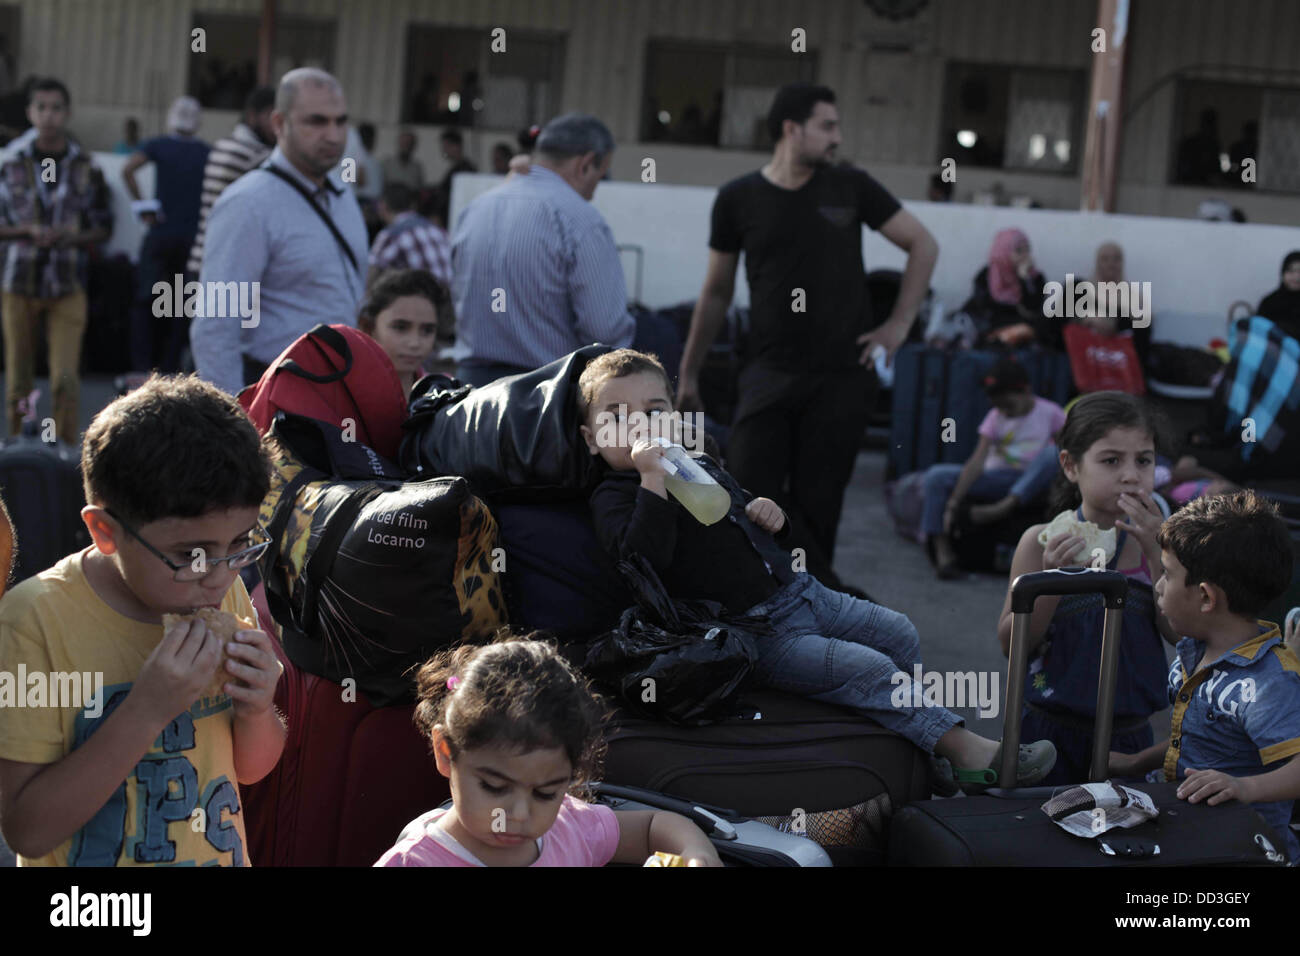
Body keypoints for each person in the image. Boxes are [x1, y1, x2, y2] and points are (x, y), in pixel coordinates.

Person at [581, 349, 1058, 792]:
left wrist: (772, 516)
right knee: (867, 668)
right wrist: (650, 479)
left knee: (898, 633)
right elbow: (643, 560)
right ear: (589, 438)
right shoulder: (617, 494)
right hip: (758, 632)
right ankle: (968, 750)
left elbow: (743, 526)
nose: (639, 424)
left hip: (803, 593)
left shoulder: (695, 463)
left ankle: (923, 748)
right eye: (616, 417)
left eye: (654, 409)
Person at [0, 375, 286, 865]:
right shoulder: (34, 622)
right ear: (106, 532)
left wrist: (259, 710)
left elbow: (251, 770)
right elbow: (27, 829)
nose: (216, 576)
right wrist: (147, 710)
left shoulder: (223, 589)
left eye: (239, 544)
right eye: (190, 553)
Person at [676, 83, 938, 594]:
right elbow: (715, 292)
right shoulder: (738, 198)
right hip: (768, 372)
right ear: (791, 129)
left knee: (819, 508)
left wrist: (898, 325)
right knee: (746, 490)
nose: (837, 137)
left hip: (842, 378)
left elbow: (923, 244)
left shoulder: (851, 187)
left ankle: (809, 605)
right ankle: (800, 597)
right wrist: (688, 373)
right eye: (828, 125)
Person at [375, 635, 722, 867]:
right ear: (445, 752)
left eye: (545, 793)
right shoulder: (414, 861)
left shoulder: (568, 828)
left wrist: (697, 854)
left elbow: (652, 827)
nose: (519, 813)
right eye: (495, 787)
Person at [996, 392, 1180, 786]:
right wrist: (1050, 580)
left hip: (1129, 737)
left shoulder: (1164, 545)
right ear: (1070, 465)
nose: (1131, 474)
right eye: (1111, 460)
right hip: (1049, 731)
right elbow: (1012, 645)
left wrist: (1155, 553)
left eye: (1143, 460)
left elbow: (1178, 632)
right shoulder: (1041, 542)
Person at [1110, 491, 1300, 863]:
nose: (1158, 587)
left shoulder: (1266, 682)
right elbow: (1201, 742)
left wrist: (1243, 787)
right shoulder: (1196, 649)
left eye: (1166, 575)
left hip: (1245, 850)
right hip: (1191, 830)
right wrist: (1136, 764)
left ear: (1206, 598)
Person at [194, 67, 367, 394]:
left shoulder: (343, 196)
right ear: (278, 124)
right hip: (274, 397)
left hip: (338, 394)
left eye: (341, 121)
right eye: (316, 121)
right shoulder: (249, 203)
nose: (333, 135)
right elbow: (216, 327)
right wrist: (235, 423)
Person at [450, 113, 634, 387]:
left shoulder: (476, 209)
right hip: (544, 397)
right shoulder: (582, 221)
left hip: (470, 390)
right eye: (602, 173)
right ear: (585, 164)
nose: (598, 187)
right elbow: (604, 330)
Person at [0, 77, 112, 443]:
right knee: (19, 378)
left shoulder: (85, 166)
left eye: (56, 108)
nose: (49, 116)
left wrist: (71, 237)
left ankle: (65, 451)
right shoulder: (10, 162)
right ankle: (17, 447)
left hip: (66, 283)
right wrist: (27, 231)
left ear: (67, 113)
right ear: (31, 113)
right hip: (19, 281)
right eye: (41, 108)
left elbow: (102, 226)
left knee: (65, 377)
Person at [922, 358, 1065, 579]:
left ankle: (1004, 507)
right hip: (998, 478)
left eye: (1007, 404)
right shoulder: (995, 416)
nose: (1002, 410)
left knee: (1053, 453)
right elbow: (977, 460)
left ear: (1025, 391)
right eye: (998, 405)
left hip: (1034, 480)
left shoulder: (1050, 412)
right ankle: (942, 550)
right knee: (936, 476)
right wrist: (953, 502)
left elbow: (1068, 456)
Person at [122, 96, 211, 374]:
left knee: (146, 301)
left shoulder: (158, 145)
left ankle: (142, 368)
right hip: (192, 238)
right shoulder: (206, 152)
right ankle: (170, 369)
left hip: (161, 234)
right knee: (179, 306)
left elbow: (128, 170)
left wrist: (144, 207)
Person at [187, 86, 275, 277]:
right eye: (271, 117)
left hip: (202, 259)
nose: (277, 126)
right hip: (226, 267)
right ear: (252, 116)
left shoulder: (222, 144)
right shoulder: (257, 155)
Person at [357, 268, 443, 395]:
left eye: (427, 330)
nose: (414, 343)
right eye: (400, 327)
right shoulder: (349, 392)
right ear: (369, 328)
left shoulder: (442, 391)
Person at [962, 228, 1050, 347]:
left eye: (1027, 249)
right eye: (1019, 250)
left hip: (1026, 330)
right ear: (1004, 251)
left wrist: (1024, 280)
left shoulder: (1036, 278)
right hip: (993, 329)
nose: (1025, 255)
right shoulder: (987, 276)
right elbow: (986, 309)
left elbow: (1033, 310)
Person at [367, 181, 452, 290]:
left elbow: (370, 279)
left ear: (382, 206)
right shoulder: (438, 231)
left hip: (419, 302)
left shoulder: (391, 235)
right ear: (413, 205)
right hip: (446, 303)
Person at [1255, 249, 1300, 343]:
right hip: (1274, 353)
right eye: (1291, 271)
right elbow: (1258, 332)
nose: (1296, 276)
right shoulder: (1269, 302)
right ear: (1283, 273)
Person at [435, 128, 476, 224]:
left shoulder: (464, 170)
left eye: (446, 146)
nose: (443, 150)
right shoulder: (457, 168)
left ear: (456, 146)